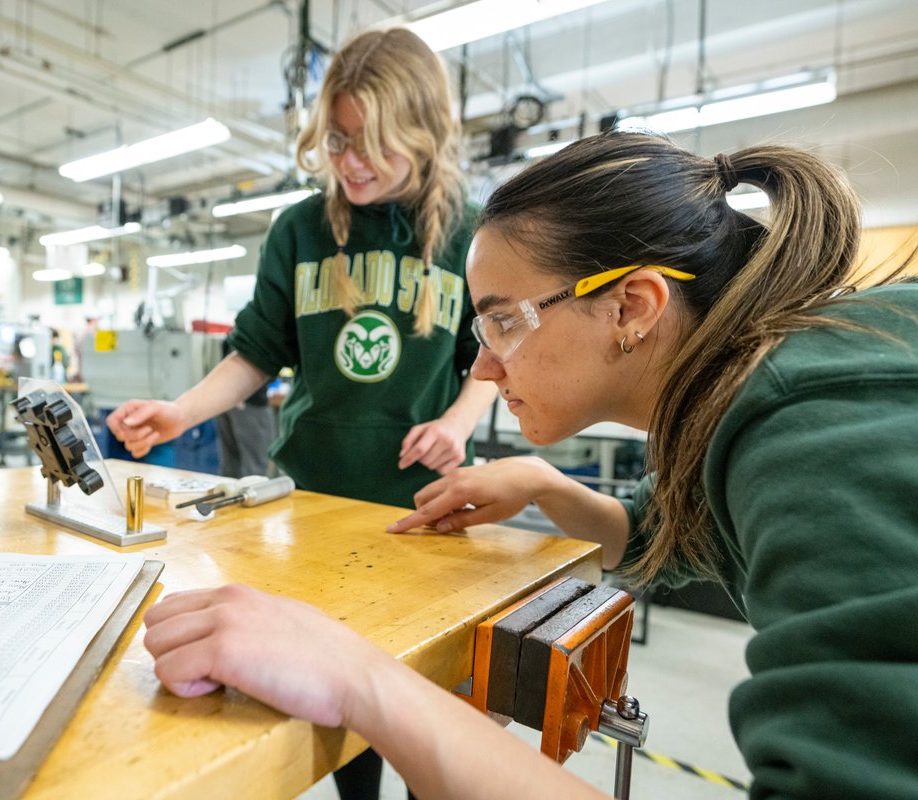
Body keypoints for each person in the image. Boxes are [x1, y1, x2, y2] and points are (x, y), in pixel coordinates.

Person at [142, 132, 918, 800]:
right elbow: (665, 535)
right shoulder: (752, 399)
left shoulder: (813, 425)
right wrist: (547, 486)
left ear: (633, 309)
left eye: (503, 323)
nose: (480, 370)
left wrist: (363, 679)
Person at [112, 29, 498, 795]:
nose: (348, 161)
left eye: (370, 144)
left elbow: (490, 359)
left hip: (422, 511)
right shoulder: (300, 231)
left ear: (422, 136)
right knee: (337, 706)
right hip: (314, 503)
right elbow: (256, 352)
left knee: (424, 707)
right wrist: (180, 413)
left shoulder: (467, 233)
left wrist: (455, 423)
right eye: (337, 140)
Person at [214, 336, 275, 478]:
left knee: (232, 464)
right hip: (248, 403)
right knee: (255, 466)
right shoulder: (256, 330)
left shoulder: (235, 333)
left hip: (227, 401)